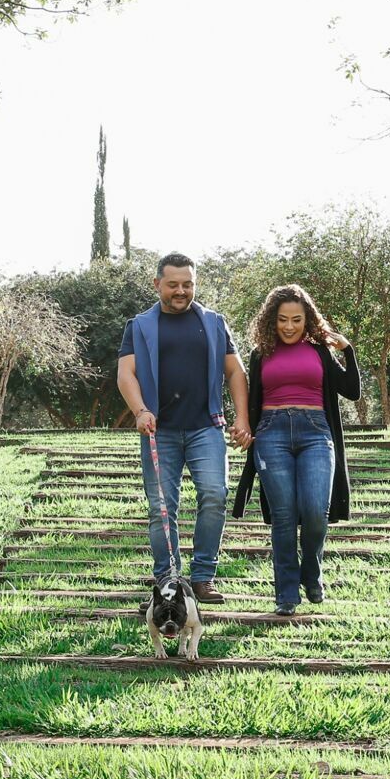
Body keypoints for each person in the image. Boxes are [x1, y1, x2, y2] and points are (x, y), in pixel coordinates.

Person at [116, 252, 250, 603]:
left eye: (187, 284)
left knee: (215, 495)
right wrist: (140, 410)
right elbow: (125, 374)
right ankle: (168, 580)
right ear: (157, 284)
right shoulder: (140, 325)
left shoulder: (213, 322)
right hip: (160, 430)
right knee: (161, 507)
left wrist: (242, 418)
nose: (181, 291)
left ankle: (203, 576)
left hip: (206, 427)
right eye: (173, 284)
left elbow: (235, 371)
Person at [231, 284, 361, 615]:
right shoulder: (262, 353)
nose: (289, 327)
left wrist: (347, 350)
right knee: (284, 516)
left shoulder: (319, 350)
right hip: (271, 434)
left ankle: (312, 573)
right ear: (272, 320)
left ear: (308, 320)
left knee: (316, 510)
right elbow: (254, 399)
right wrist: (245, 426)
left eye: (297, 320)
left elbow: (352, 391)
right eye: (283, 320)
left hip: (316, 433)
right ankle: (286, 593)